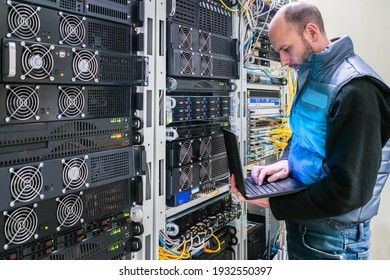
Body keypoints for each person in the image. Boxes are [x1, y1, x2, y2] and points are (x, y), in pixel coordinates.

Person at [231, 2, 390, 260]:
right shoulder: (315, 75)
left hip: (335, 238)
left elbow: (347, 192)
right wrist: (287, 164)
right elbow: (308, 134)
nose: (283, 61)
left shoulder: (357, 90)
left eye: (286, 49)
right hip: (311, 226)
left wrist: (273, 203)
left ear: (312, 32)